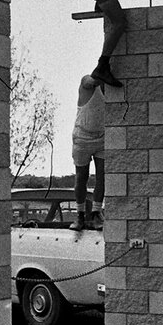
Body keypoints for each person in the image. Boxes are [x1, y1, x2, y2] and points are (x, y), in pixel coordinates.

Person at [71, 73, 105, 231]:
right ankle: (80, 215)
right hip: (82, 137)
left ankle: (96, 212)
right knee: (81, 177)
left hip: (102, 138)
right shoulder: (87, 81)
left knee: (102, 176)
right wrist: (104, 68)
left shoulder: (112, 89)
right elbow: (94, 80)